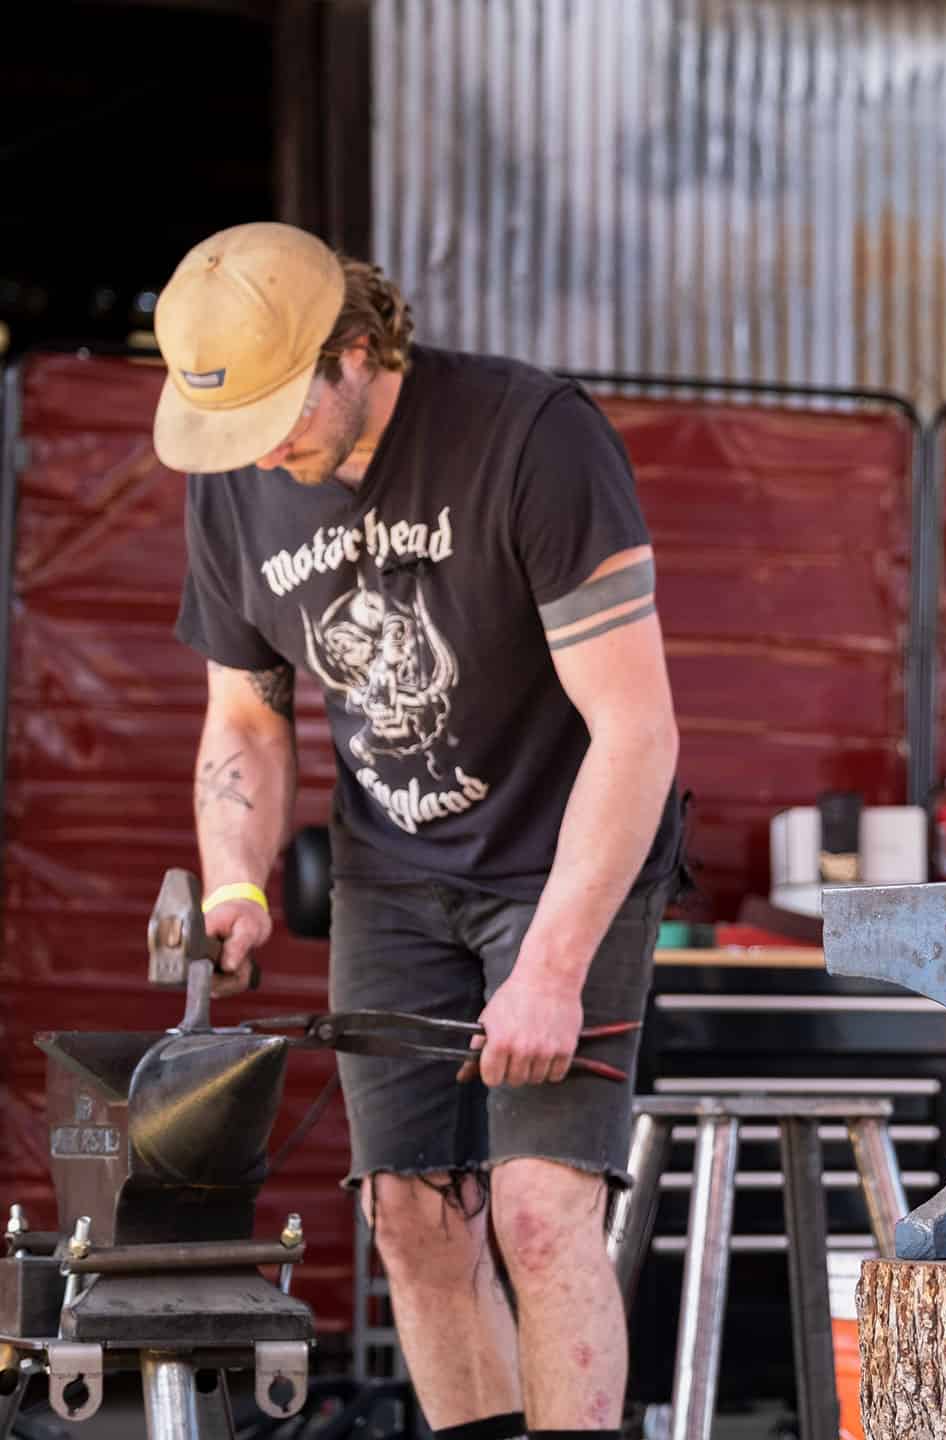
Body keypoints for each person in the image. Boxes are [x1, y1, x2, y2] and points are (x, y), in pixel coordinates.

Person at [156, 221, 682, 1440]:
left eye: (283, 415)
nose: (263, 454)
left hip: (567, 857)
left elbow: (638, 734)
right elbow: (245, 708)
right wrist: (234, 885)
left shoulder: (529, 437)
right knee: (411, 1214)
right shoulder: (239, 485)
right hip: (391, 873)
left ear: (354, 346)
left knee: (540, 1208)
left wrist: (550, 971)